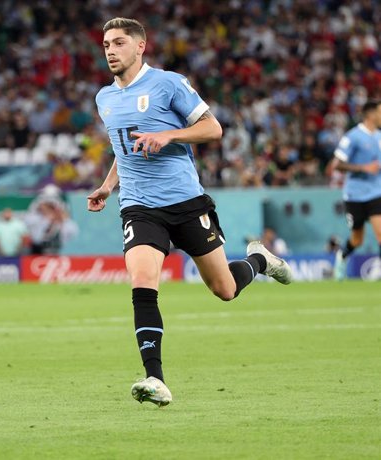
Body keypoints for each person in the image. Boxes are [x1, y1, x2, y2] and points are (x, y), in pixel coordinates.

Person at [87, 18, 293, 407]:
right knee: (143, 281)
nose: (110, 51)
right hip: (139, 206)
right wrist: (108, 185)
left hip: (185, 202)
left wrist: (170, 135)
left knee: (225, 290)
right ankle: (155, 379)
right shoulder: (104, 98)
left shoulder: (168, 84)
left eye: (118, 43)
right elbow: (122, 146)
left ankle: (259, 260)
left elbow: (213, 128)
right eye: (105, 45)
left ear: (140, 46)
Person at [330, 100, 381, 280]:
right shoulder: (353, 136)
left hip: (376, 192)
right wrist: (363, 168)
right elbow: (336, 165)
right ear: (371, 114)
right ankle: (342, 256)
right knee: (357, 239)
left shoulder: (379, 136)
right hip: (355, 194)